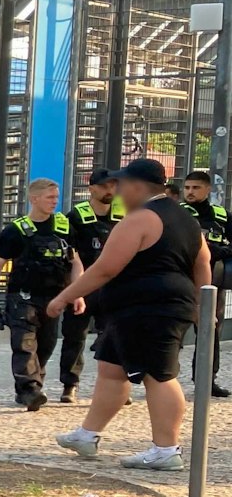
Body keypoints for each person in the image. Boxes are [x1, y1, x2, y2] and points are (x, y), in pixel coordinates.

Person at [49, 158, 209, 470]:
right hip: (156, 307)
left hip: (149, 309)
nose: (116, 191)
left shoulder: (140, 219)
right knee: (112, 366)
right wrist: (202, 303)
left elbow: (106, 267)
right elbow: (202, 262)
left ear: (137, 186)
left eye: (120, 185)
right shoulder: (185, 218)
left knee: (159, 375)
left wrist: (66, 296)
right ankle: (87, 434)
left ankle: (166, 449)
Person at [0, 178, 78, 412]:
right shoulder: (16, 231)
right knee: (24, 344)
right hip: (22, 297)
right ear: (34, 199)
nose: (55, 201)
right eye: (49, 197)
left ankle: (32, 386)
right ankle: (29, 389)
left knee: (46, 344)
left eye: (56, 197)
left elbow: (76, 263)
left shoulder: (63, 228)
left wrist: (78, 293)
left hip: (54, 297)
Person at [60, 169, 127, 402]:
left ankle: (117, 385)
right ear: (92, 189)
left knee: (115, 335)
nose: (110, 191)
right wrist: (74, 288)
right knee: (74, 336)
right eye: (105, 186)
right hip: (85, 284)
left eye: (113, 186)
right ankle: (70, 385)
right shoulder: (75, 217)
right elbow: (71, 255)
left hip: (115, 286)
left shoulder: (125, 214)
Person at [181, 170, 229, 397]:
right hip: (181, 279)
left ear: (208, 189)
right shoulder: (178, 214)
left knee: (210, 331)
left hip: (212, 282)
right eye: (187, 187)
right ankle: (162, 378)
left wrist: (222, 251)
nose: (190, 192)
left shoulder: (221, 216)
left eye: (196, 188)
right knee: (175, 330)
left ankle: (207, 379)